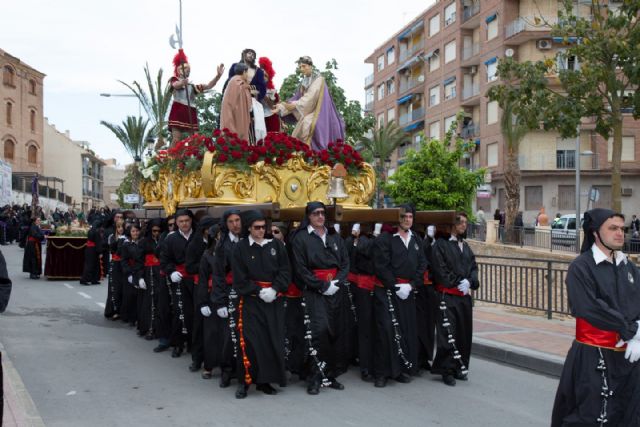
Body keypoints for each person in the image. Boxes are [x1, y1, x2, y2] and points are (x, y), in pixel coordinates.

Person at [552, 208, 640, 426]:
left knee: (628, 414)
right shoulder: (580, 267)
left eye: (622, 228)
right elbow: (589, 307)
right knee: (591, 416)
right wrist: (631, 330)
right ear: (595, 232)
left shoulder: (629, 267)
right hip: (592, 358)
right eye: (613, 228)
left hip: (630, 356)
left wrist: (639, 331)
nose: (620, 233)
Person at [290, 201, 350, 395]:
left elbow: (345, 264)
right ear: (308, 216)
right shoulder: (300, 238)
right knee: (318, 332)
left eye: (323, 213)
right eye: (316, 213)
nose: (320, 217)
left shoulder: (334, 236)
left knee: (334, 332)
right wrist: (323, 286)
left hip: (335, 290)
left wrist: (336, 284)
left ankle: (329, 375)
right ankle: (314, 377)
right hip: (314, 292)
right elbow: (300, 269)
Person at [231, 210, 291, 398]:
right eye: (256, 227)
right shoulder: (240, 248)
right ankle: (245, 381)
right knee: (249, 341)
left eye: (263, 227)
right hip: (251, 301)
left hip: (273, 299)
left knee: (271, 340)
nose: (261, 231)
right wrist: (257, 291)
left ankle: (265, 381)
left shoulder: (276, 245)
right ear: (249, 228)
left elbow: (285, 270)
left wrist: (275, 289)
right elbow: (239, 278)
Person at [373, 205, 427, 387]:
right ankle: (381, 373)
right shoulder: (385, 239)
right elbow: (381, 265)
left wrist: (411, 285)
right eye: (404, 216)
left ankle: (400, 370)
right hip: (388, 291)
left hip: (408, 292)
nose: (407, 220)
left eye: (410, 216)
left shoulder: (416, 239)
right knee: (386, 331)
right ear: (397, 218)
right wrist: (396, 286)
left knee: (405, 330)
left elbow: (422, 265)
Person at [431, 212, 479, 386]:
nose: (463, 225)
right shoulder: (440, 245)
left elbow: (473, 267)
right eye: (460, 222)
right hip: (447, 296)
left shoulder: (465, 246)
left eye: (465, 222)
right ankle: (447, 370)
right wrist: (458, 282)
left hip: (463, 297)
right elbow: (440, 270)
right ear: (452, 225)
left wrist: (470, 281)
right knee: (448, 334)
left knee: (464, 334)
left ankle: (460, 366)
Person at [273, 56, 345, 152]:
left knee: (307, 124)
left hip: (320, 112)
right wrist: (281, 107)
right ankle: (303, 156)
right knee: (301, 128)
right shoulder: (304, 82)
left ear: (310, 66)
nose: (302, 69)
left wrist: (294, 105)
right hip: (309, 111)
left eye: (304, 66)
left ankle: (315, 153)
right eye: (300, 67)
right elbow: (297, 98)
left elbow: (310, 98)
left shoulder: (319, 79)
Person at [211, 209, 243, 388]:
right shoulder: (222, 246)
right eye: (231, 221)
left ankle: (243, 370)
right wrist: (220, 301)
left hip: (246, 293)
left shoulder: (247, 240)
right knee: (229, 335)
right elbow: (218, 276)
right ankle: (227, 370)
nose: (235, 224)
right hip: (229, 292)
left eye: (238, 220)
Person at [168, 48, 224, 145]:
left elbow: (209, 85)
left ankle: (193, 157)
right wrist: (182, 83)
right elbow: (175, 85)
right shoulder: (174, 79)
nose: (187, 71)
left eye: (188, 69)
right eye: (184, 69)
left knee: (196, 139)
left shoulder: (192, 87)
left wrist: (217, 76)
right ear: (179, 70)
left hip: (190, 111)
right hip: (178, 110)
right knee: (176, 139)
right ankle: (172, 158)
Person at [160, 209, 196, 358]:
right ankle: (178, 344)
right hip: (179, 279)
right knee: (180, 312)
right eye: (181, 221)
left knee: (196, 312)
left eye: (187, 220)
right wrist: (171, 272)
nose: (184, 224)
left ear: (191, 221)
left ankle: (194, 344)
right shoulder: (171, 239)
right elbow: (164, 260)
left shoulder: (199, 237)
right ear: (176, 223)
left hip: (196, 279)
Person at [346, 223, 378, 382]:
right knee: (365, 327)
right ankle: (365, 365)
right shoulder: (363, 241)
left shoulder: (372, 239)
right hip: (363, 285)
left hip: (377, 285)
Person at [185, 216, 218, 373]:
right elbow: (190, 267)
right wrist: (206, 265)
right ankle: (197, 359)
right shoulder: (195, 244)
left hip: (217, 288)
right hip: (201, 287)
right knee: (199, 325)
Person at [196, 223, 222, 380]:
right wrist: (203, 302)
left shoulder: (234, 250)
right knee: (212, 333)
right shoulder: (207, 255)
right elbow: (203, 280)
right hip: (212, 296)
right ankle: (209, 365)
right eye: (219, 234)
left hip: (229, 295)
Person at [120, 223, 145, 334]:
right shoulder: (126, 244)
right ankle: (131, 317)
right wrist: (128, 274)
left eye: (137, 231)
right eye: (133, 231)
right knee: (130, 296)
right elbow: (124, 260)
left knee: (140, 297)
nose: (135, 233)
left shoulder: (143, 243)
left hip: (141, 271)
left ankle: (140, 318)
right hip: (130, 272)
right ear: (130, 233)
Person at [220, 63, 253, 142]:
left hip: (240, 116)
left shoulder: (240, 83)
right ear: (244, 72)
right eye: (247, 72)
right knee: (236, 142)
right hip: (235, 118)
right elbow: (230, 104)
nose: (248, 75)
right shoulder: (236, 82)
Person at [104, 220, 126, 320]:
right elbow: (114, 250)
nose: (120, 229)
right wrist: (120, 240)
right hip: (115, 265)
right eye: (118, 227)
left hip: (124, 265)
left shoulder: (127, 237)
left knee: (124, 288)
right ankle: (114, 310)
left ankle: (123, 311)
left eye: (122, 227)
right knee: (114, 288)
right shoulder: (112, 237)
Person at [258, 57, 281, 133]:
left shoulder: (273, 92)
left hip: (272, 119)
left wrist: (263, 94)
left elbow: (274, 108)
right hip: (258, 120)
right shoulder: (254, 90)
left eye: (265, 75)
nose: (263, 77)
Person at [80, 219, 103, 285]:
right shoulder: (97, 232)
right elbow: (98, 243)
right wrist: (100, 252)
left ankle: (90, 279)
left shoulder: (90, 230)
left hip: (88, 249)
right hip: (94, 250)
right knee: (94, 265)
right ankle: (88, 279)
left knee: (89, 265)